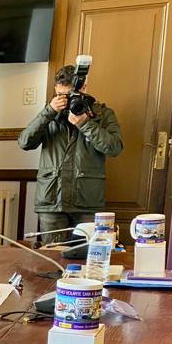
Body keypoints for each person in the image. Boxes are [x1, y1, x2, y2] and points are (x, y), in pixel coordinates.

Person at [18, 64, 123, 241]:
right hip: (52, 200)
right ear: (55, 89)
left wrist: (85, 124)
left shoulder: (102, 114)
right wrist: (49, 112)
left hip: (87, 201)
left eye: (71, 95)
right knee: (52, 253)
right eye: (61, 95)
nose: (66, 100)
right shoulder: (49, 114)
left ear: (83, 88)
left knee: (87, 253)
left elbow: (114, 148)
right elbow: (24, 142)